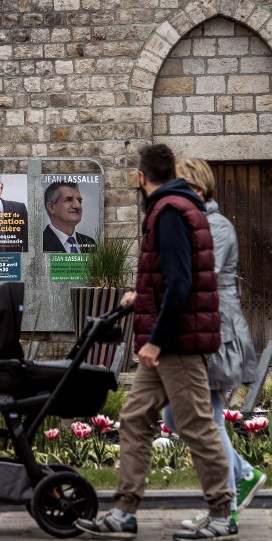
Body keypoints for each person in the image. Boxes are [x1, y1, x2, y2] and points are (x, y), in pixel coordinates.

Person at [76, 144, 236, 540]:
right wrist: (141, 297)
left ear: (141, 177)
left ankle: (221, 515)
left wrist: (156, 341)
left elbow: (181, 282)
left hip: (175, 345)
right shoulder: (176, 206)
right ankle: (124, 511)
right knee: (134, 419)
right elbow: (169, 278)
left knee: (197, 426)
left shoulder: (169, 213)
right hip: (168, 342)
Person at [162, 158, 266, 529]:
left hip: (216, 332)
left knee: (205, 418)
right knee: (175, 416)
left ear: (198, 190)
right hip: (199, 329)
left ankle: (225, 510)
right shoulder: (188, 224)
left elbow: (198, 277)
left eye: (180, 187)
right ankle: (242, 474)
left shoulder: (216, 226)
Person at [42, 181, 96, 253]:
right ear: (51, 207)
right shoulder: (39, 243)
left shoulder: (89, 242)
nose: (77, 206)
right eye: (68, 200)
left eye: (79, 201)